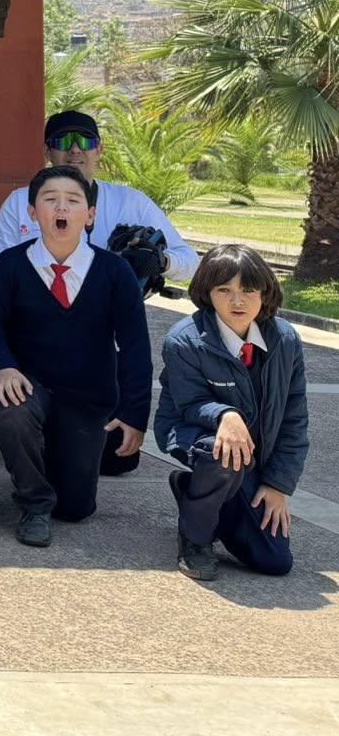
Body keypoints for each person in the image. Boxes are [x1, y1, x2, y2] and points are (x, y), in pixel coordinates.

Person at [0, 166, 152, 548]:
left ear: (89, 215)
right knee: (12, 411)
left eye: (73, 201)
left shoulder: (115, 272)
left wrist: (134, 414)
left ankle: (49, 458)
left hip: (86, 398)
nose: (61, 207)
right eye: (50, 199)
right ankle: (34, 503)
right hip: (29, 385)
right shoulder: (9, 265)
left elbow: (136, 347)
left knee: (75, 508)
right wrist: (3, 367)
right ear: (33, 212)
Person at [155, 245, 308, 581]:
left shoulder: (285, 340)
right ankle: (195, 539)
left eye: (248, 290)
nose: (237, 301)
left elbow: (294, 419)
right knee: (221, 455)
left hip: (250, 456)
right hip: (196, 435)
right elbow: (188, 403)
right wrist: (225, 414)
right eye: (224, 290)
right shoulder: (183, 341)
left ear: (264, 292)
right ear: (207, 293)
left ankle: (192, 490)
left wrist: (277, 484)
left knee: (273, 560)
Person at [0, 109, 198, 295]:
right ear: (47, 152)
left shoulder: (132, 202)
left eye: (85, 141)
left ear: (99, 150)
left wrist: (159, 261)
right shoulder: (18, 203)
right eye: (64, 141)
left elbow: (190, 261)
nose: (75, 149)